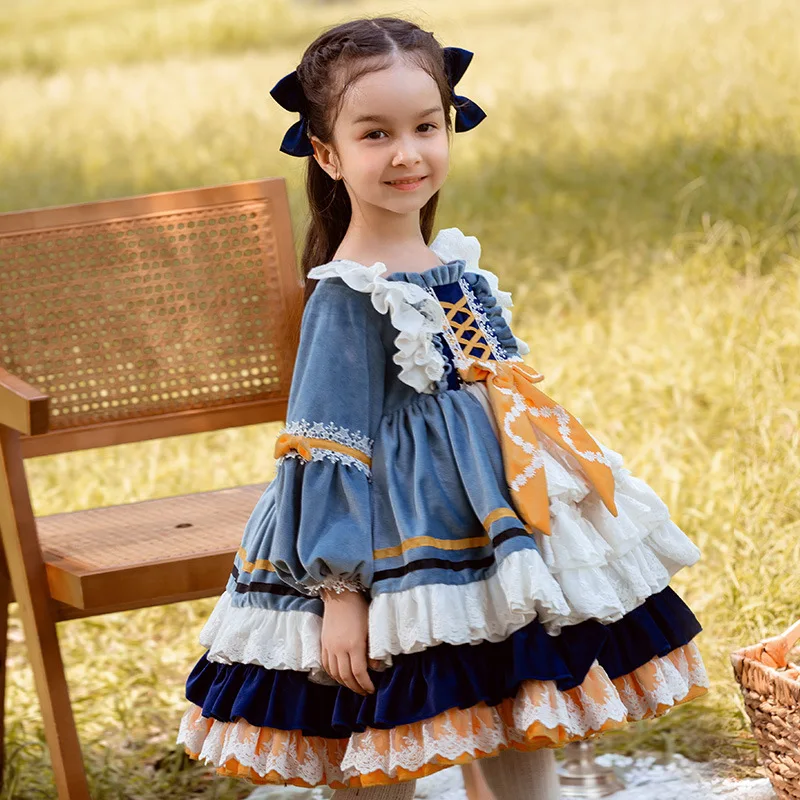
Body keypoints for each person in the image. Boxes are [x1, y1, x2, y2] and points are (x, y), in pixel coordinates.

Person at [176, 15, 709, 799]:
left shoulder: (456, 269)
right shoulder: (348, 293)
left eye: (427, 126)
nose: (407, 152)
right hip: (393, 552)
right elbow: (326, 448)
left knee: (519, 703)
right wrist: (341, 596)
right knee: (388, 732)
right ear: (327, 153)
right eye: (375, 134)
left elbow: (497, 398)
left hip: (492, 534)